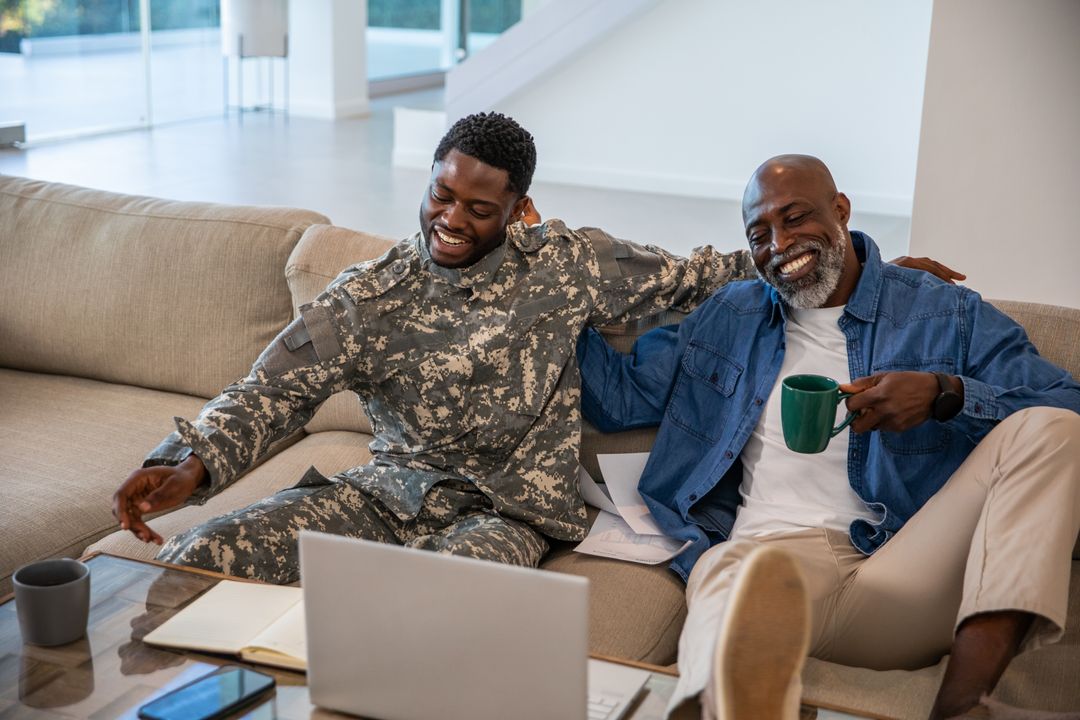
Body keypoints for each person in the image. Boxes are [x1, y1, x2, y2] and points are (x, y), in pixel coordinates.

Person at [111, 113, 957, 587]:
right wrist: (190, 464)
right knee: (200, 561)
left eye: (478, 208)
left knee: (435, 608)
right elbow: (270, 391)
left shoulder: (569, 263)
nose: (450, 220)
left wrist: (850, 257)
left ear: (518, 210)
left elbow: (702, 274)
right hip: (381, 496)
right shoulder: (367, 295)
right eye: (441, 194)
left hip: (508, 514)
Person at [576, 155, 1080, 719]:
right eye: (759, 233)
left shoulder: (942, 311)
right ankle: (727, 700)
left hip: (902, 573)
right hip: (767, 570)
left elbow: (1065, 401)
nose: (780, 243)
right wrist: (547, 290)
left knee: (1055, 427)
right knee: (727, 571)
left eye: (796, 217)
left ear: (840, 210)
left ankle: (961, 705)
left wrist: (946, 392)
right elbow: (620, 397)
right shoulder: (730, 314)